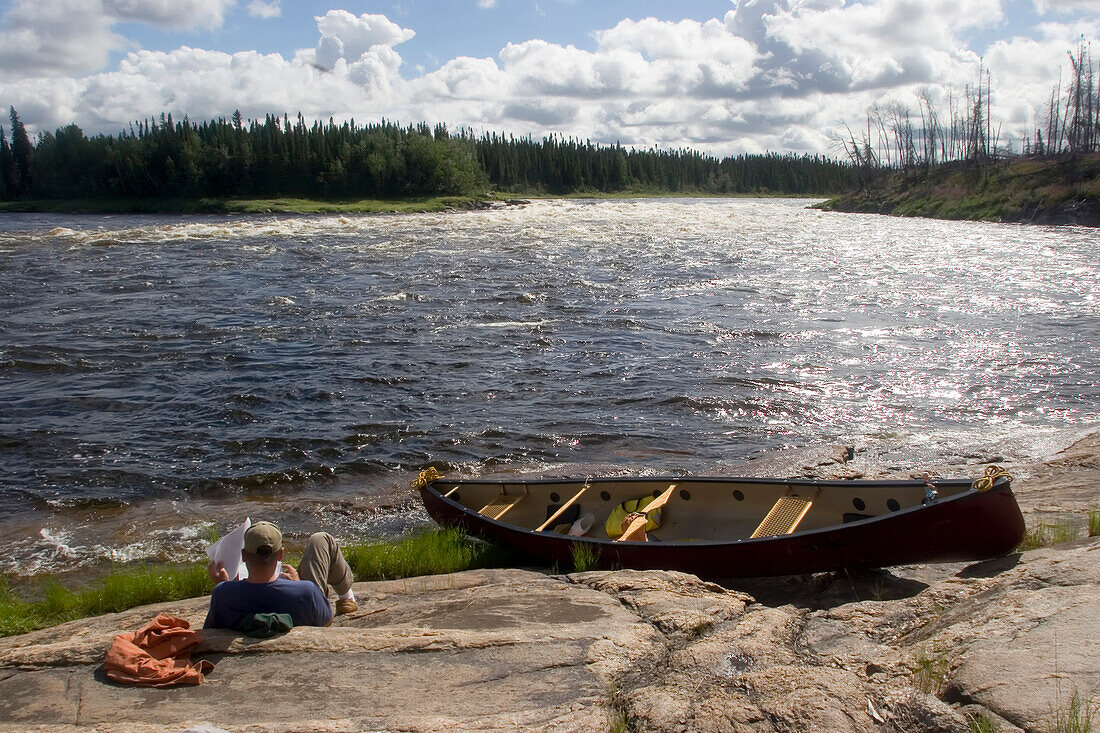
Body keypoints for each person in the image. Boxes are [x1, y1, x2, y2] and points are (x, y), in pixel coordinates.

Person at [204, 521, 358, 630]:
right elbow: (326, 619)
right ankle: (346, 597)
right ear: (280, 555)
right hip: (300, 604)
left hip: (243, 598)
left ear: (244, 556)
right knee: (320, 540)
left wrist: (224, 585)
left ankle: (347, 597)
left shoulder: (223, 594)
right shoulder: (306, 591)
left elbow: (211, 629)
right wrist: (297, 583)